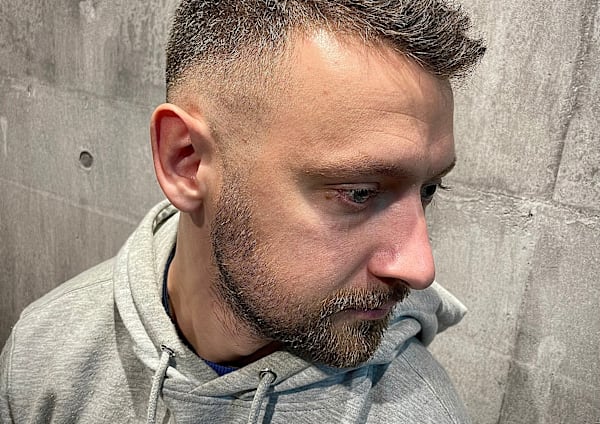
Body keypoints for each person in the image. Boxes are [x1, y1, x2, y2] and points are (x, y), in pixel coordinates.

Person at [1, 1, 485, 422]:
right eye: (359, 192)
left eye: (428, 189)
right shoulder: (44, 354)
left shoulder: (422, 413)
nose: (421, 268)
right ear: (186, 161)